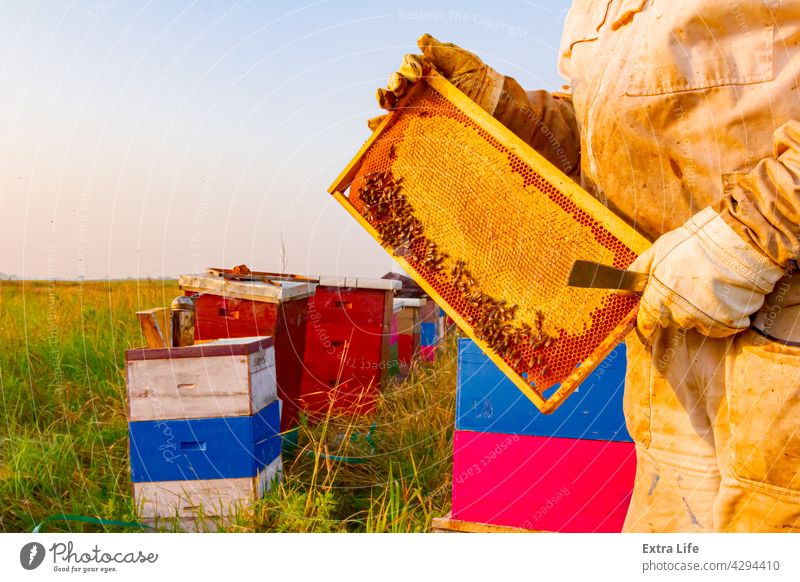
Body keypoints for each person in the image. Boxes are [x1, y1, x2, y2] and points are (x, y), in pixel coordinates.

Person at [376, 1, 800, 533]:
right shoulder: (594, 8)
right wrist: (496, 103)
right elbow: (602, 144)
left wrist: (759, 226)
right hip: (663, 354)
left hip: (784, 346)